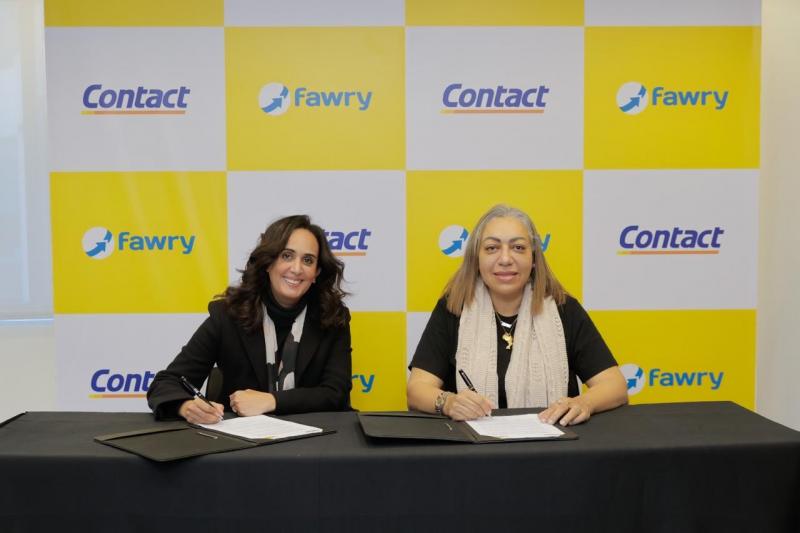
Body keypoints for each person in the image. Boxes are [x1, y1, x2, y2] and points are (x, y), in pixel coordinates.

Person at [407, 205, 627, 426]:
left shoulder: (564, 309)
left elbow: (614, 385)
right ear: (476, 259)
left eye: (518, 247)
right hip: (472, 444)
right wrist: (448, 402)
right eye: (492, 248)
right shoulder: (453, 308)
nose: (505, 259)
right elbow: (417, 389)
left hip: (552, 443)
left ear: (534, 258)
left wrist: (584, 403)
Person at [147, 215, 352, 424]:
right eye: (287, 256)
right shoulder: (228, 315)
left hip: (315, 438)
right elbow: (166, 383)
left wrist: (272, 401)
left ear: (316, 272)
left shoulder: (332, 317)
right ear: (268, 263)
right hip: (240, 441)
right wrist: (185, 406)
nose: (297, 268)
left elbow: (336, 393)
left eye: (308, 260)